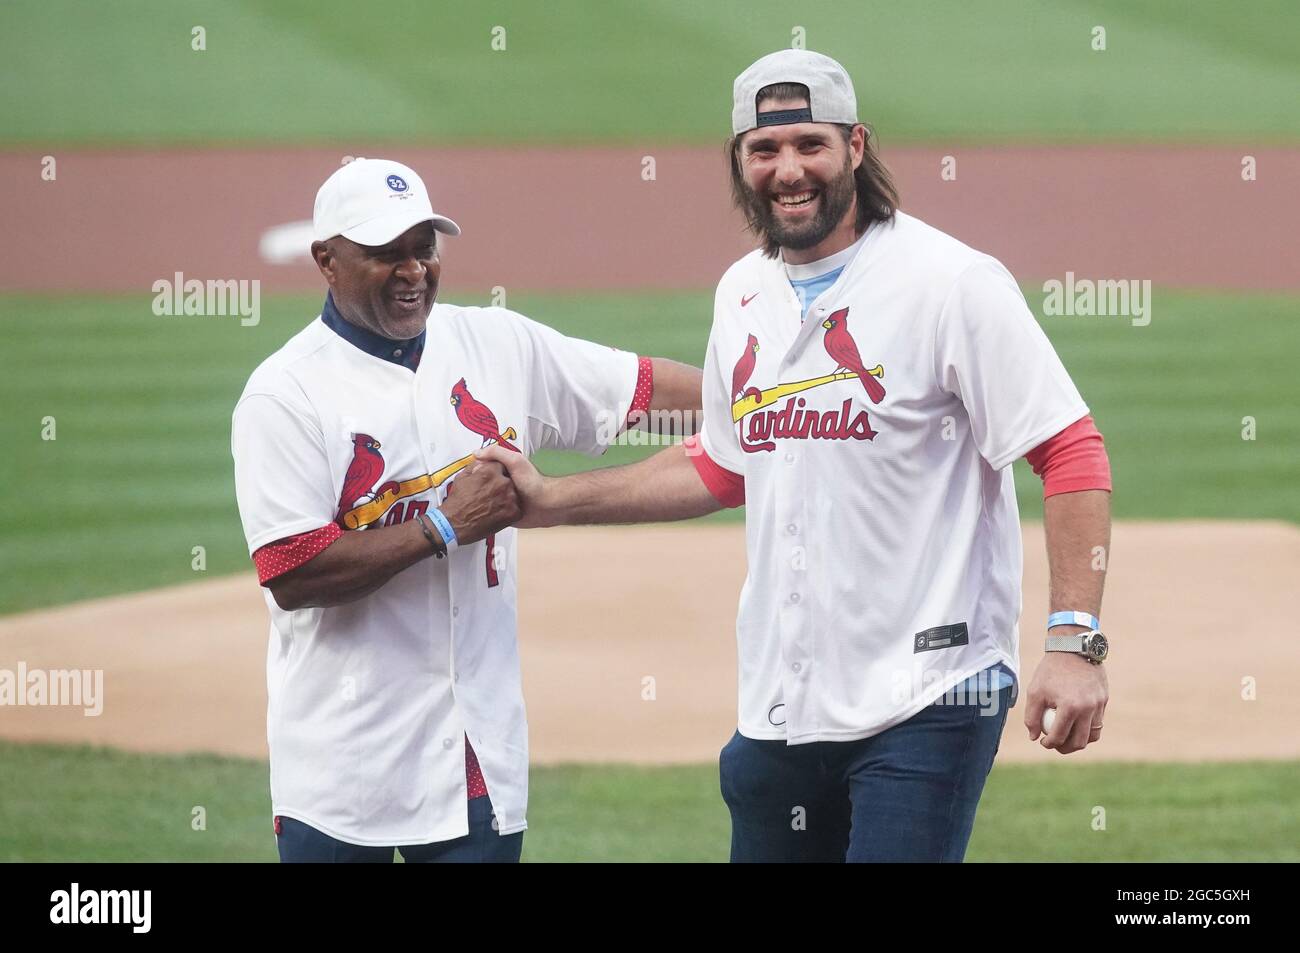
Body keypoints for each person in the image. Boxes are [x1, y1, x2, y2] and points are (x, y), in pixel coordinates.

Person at [479, 50, 1113, 862]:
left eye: (810, 145)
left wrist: (1072, 641)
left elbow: (1070, 449)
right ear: (739, 162)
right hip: (782, 702)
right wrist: (554, 500)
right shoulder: (742, 294)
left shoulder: (949, 283)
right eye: (764, 150)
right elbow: (721, 462)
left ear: (856, 146)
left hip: (932, 693)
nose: (788, 170)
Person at [231, 157, 701, 862]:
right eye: (386, 252)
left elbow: (641, 394)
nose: (412, 269)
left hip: (476, 761)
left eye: (424, 248)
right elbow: (294, 574)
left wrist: (765, 400)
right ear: (326, 261)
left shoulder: (495, 344)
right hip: (338, 774)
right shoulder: (285, 395)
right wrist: (443, 526)